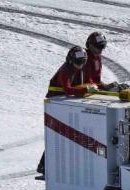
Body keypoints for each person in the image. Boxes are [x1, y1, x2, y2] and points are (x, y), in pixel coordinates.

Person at [38, 46, 93, 177]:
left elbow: (86, 82)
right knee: (56, 136)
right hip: (56, 105)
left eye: (83, 62)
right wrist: (85, 90)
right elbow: (68, 89)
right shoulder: (65, 71)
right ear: (70, 60)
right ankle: (43, 166)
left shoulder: (78, 69)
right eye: (78, 62)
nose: (80, 65)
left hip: (66, 104)